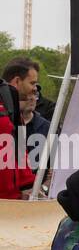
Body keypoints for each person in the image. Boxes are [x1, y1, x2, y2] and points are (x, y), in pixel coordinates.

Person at [0, 59, 38, 199]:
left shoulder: (14, 109)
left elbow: (20, 152)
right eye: (32, 83)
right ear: (17, 81)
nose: (35, 88)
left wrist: (29, 186)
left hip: (13, 201)